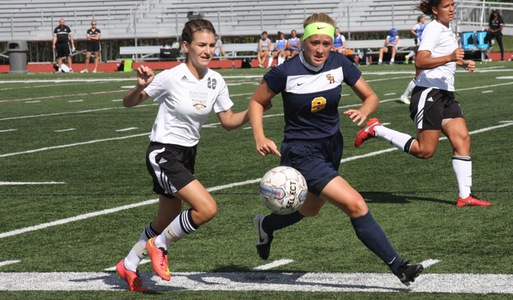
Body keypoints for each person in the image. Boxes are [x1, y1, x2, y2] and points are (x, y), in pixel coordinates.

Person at [248, 12, 423, 287]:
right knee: (356, 204)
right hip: (300, 151)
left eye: (326, 43)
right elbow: (256, 102)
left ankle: (266, 226)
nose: (320, 49)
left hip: (332, 146)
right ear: (303, 42)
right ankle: (400, 267)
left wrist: (365, 110)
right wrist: (259, 136)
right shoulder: (284, 72)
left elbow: (371, 96)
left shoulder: (340, 63)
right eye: (314, 42)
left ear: (333, 43)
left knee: (310, 210)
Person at [116, 18, 250, 293]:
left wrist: (255, 110)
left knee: (165, 219)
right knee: (207, 208)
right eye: (202, 44)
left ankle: (128, 265)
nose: (208, 50)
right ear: (186, 46)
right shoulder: (171, 76)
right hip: (163, 153)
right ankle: (159, 245)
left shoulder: (216, 80)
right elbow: (128, 103)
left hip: (187, 154)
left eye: (212, 45)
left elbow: (228, 121)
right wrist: (141, 86)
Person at [355, 0, 492, 208]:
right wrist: (450, 56)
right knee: (424, 151)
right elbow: (421, 61)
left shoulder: (447, 29)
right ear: (435, 10)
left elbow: (442, 58)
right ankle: (377, 129)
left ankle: (465, 196)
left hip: (446, 94)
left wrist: (461, 62)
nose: (452, 9)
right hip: (429, 93)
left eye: (453, 5)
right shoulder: (433, 29)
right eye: (446, 6)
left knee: (462, 139)